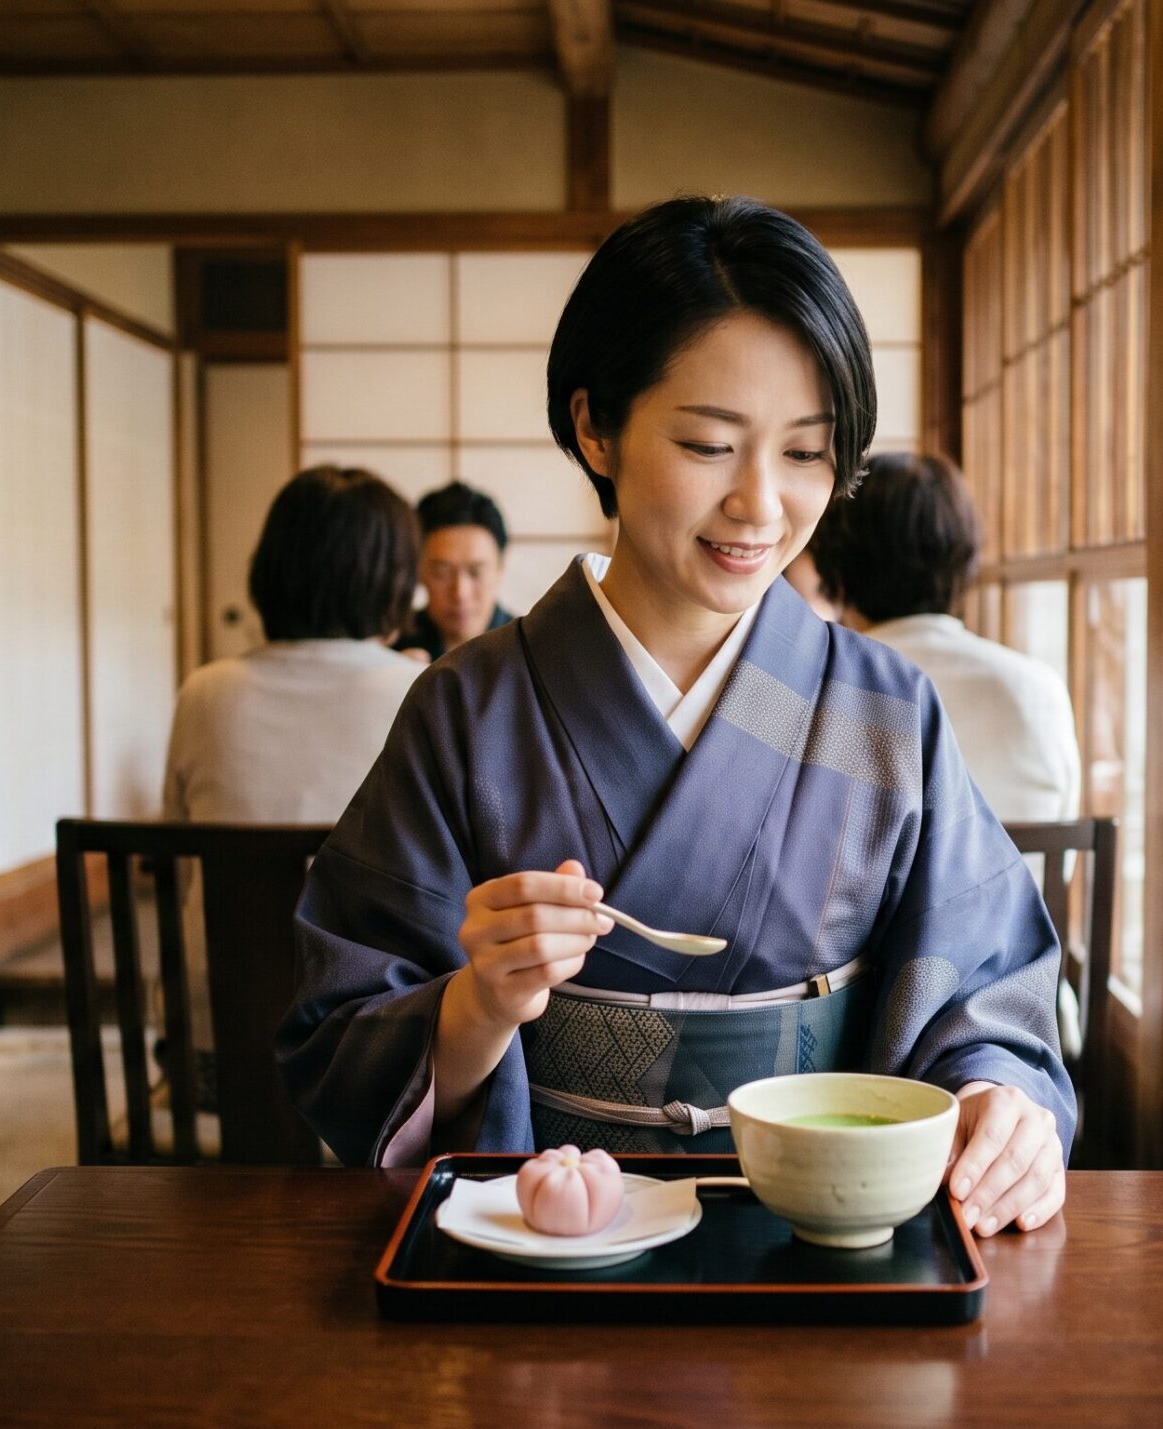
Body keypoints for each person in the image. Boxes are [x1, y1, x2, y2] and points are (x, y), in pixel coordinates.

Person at [277, 197, 1074, 1241]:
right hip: (546, 1242)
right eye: (708, 443)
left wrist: (994, 1101)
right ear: (594, 427)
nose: (761, 505)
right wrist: (476, 1005)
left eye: (805, 454)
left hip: (824, 1237)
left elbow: (984, 988)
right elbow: (339, 1035)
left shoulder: (885, 713)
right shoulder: (469, 712)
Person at [811, 452, 1083, 824]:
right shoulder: (1039, 687)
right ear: (962, 560)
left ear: (835, 567)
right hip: (1026, 884)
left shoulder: (826, 693)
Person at [162, 464, 426, 826]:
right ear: (393, 581)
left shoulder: (203, 691)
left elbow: (178, 840)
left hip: (231, 886)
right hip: (365, 887)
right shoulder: (421, 691)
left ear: (272, 568)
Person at [393, 481, 514, 661]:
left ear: (500, 567)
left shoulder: (529, 646)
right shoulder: (394, 649)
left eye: (476, 572)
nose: (460, 593)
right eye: (442, 573)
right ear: (419, 570)